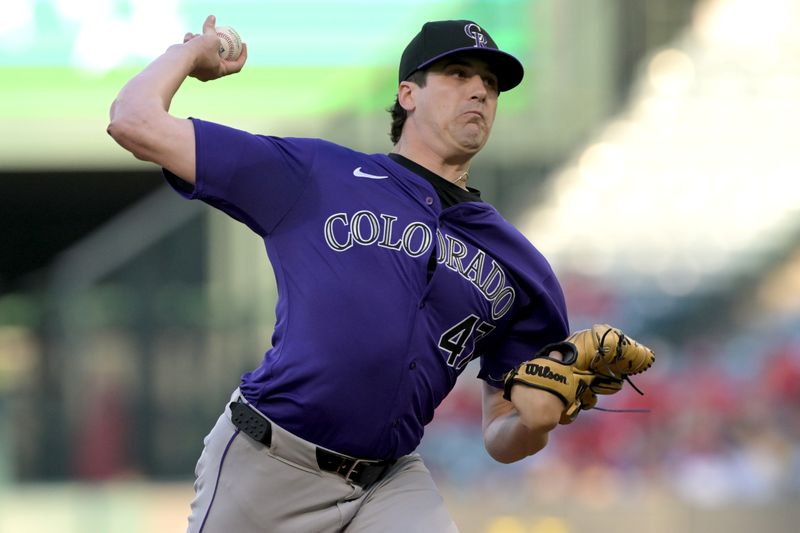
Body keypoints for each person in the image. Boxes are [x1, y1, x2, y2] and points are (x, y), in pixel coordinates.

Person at [108, 15, 574, 533]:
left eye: (490, 84)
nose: (480, 92)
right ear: (408, 94)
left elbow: (502, 436)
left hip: (389, 483)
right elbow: (133, 120)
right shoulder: (316, 174)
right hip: (271, 463)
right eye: (459, 74)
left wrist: (533, 425)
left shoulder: (519, 262)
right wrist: (191, 53)